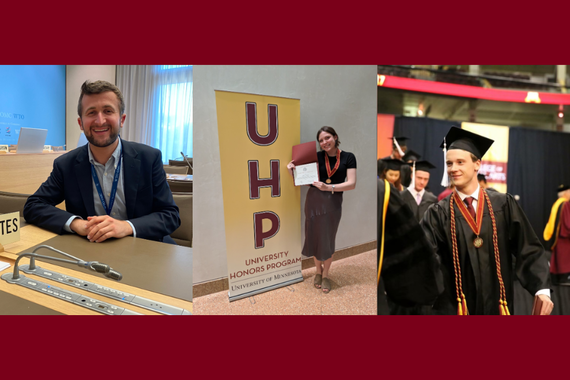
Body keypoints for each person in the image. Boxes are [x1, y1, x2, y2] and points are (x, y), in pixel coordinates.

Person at [24, 80, 180, 244]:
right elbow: (34, 206)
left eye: (108, 111)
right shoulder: (66, 165)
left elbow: (170, 215)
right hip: (92, 250)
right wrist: (77, 224)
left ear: (121, 119)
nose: (100, 121)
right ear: (80, 123)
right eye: (91, 113)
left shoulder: (149, 158)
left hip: (144, 247)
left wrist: (125, 226)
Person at [421, 126, 552, 315]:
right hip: (457, 308)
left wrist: (541, 289)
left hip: (498, 305)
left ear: (477, 164)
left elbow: (528, 248)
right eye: (449, 163)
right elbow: (421, 257)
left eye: (460, 162)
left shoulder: (503, 204)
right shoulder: (437, 214)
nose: (453, 169)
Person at [286, 126, 356, 294]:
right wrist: (291, 172)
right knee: (315, 237)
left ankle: (326, 275)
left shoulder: (348, 157)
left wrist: (329, 187)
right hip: (314, 201)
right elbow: (304, 179)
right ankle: (318, 271)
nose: (324, 142)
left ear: (335, 137)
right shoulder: (316, 157)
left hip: (332, 203)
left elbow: (352, 184)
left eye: (327, 138)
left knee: (327, 238)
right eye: (321, 140)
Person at [377, 178, 443, 315]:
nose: (422, 181)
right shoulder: (384, 190)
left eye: (426, 179)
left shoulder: (432, 199)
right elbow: (404, 246)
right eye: (420, 178)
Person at [544, 184, 570, 285]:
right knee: (564, 259)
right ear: (566, 193)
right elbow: (568, 223)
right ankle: (563, 279)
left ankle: (557, 278)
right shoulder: (566, 204)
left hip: (558, 236)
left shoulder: (557, 203)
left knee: (558, 258)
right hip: (565, 236)